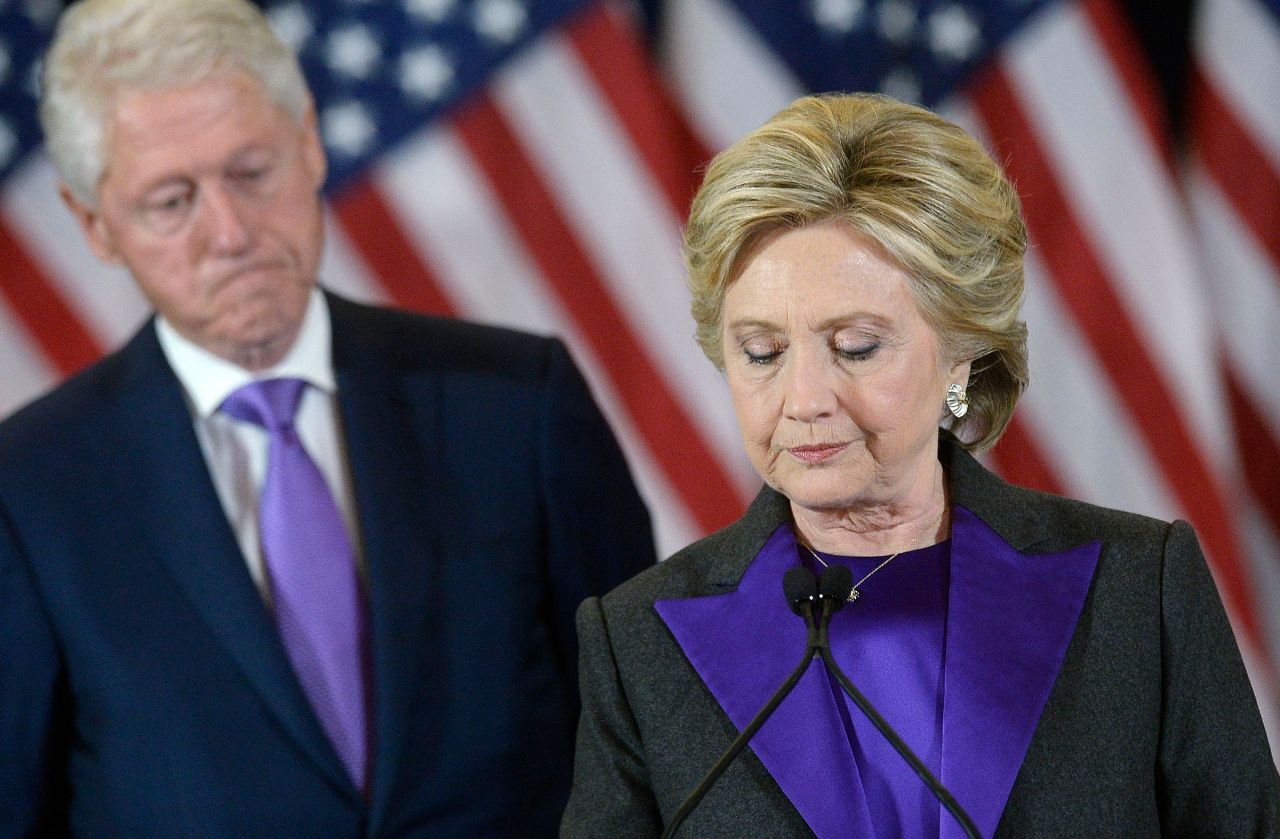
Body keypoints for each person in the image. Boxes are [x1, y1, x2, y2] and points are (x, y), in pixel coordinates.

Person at [0, 0, 656, 835]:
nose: (231, 232)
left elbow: (644, 739)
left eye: (252, 171)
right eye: (173, 201)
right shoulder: (28, 493)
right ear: (95, 224)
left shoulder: (517, 403)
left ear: (308, 141)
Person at [561, 93, 1279, 838]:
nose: (803, 399)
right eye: (763, 352)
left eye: (856, 345)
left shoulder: (1138, 592)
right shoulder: (639, 644)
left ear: (961, 351)